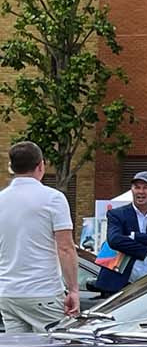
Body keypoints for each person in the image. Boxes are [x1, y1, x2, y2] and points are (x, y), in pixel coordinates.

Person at [0, 141, 78, 332]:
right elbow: (65, 248)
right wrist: (74, 289)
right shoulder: (53, 198)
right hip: (42, 291)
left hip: (8, 293)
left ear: (11, 167)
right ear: (41, 165)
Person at [103, 171, 147, 290]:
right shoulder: (117, 214)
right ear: (131, 190)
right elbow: (114, 240)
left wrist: (135, 236)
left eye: (146, 188)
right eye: (137, 187)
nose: (141, 192)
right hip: (121, 283)